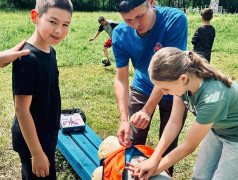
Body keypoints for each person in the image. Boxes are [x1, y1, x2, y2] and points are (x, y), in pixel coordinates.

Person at [126, 47, 238, 180]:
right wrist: (154, 158)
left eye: (166, 88)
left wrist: (156, 168)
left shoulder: (213, 99)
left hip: (235, 139)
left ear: (183, 78)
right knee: (200, 175)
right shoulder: (182, 81)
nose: (165, 93)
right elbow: (174, 122)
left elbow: (188, 146)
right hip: (217, 130)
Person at [113, 0, 188, 175]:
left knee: (168, 144)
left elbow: (168, 71)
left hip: (174, 87)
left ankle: (165, 175)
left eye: (140, 16)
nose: (136, 25)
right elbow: (121, 79)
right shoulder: (120, 34)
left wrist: (147, 110)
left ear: (151, 3)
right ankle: (133, 175)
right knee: (134, 139)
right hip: (143, 86)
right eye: (128, 20)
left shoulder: (174, 20)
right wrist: (124, 120)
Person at [11, 0, 73, 179]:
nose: (59, 30)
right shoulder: (28, 58)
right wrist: (37, 154)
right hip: (33, 140)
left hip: (46, 132)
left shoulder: (50, 50)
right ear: (35, 17)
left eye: (65, 24)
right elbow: (21, 110)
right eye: (53, 22)